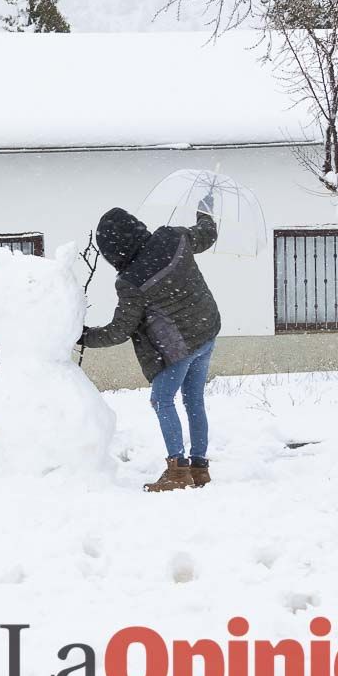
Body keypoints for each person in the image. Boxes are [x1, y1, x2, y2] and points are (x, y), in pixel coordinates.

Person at [81, 195, 221, 492]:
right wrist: (205, 214)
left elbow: (119, 330)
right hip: (206, 331)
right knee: (194, 400)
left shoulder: (132, 281)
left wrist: (80, 336)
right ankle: (199, 468)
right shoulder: (173, 237)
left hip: (179, 349)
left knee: (162, 399)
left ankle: (177, 470)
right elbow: (207, 235)